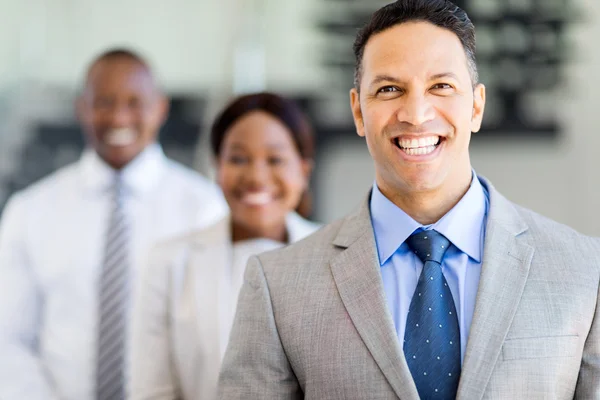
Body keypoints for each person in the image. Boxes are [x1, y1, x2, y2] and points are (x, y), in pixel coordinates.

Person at [217, 1, 600, 399]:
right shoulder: (278, 285)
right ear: (358, 112)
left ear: (476, 105)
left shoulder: (584, 271)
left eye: (441, 86)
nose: (416, 114)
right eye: (389, 89)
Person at [0, 48, 228, 400]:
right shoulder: (29, 212)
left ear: (160, 108)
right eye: (104, 101)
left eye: (135, 102)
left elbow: (212, 337)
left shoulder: (204, 209)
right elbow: (9, 340)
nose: (119, 116)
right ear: (82, 108)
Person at [128, 92, 320, 400]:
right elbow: (153, 392)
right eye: (238, 158)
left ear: (303, 171)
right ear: (217, 168)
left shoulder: (342, 260)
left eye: (275, 160)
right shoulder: (169, 261)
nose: (256, 177)